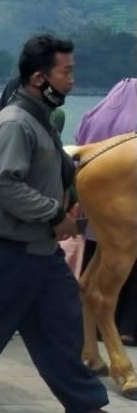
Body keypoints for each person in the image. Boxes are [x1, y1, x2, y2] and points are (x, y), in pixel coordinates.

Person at [0, 34, 136, 413]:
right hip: (9, 252)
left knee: (62, 325)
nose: (72, 80)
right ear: (40, 78)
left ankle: (84, 407)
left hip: (39, 253)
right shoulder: (14, 123)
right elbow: (4, 184)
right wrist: (55, 214)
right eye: (66, 72)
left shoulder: (38, 120)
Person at [75, 78, 137, 344]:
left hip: (92, 202)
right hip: (120, 206)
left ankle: (91, 343)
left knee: (98, 266)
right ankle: (123, 330)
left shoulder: (96, 114)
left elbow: (79, 140)